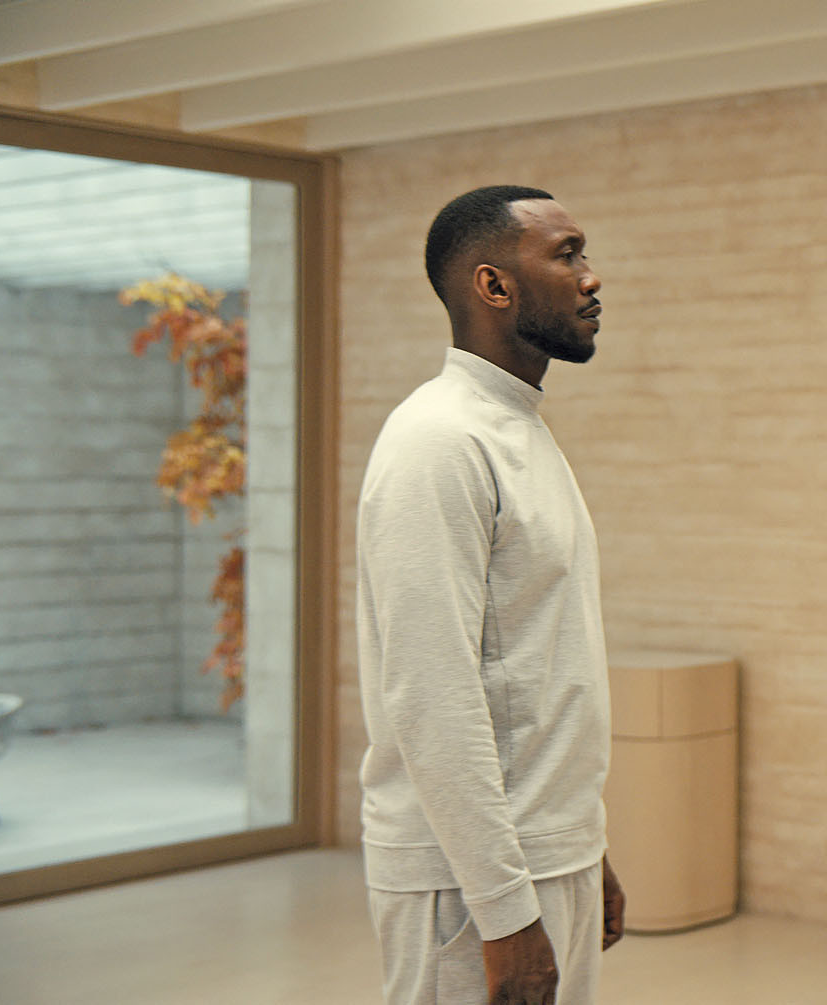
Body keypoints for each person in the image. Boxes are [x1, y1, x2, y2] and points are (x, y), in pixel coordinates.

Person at [357, 185, 624, 1005]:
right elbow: (431, 693)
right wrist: (505, 911)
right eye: (567, 254)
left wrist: (585, 844)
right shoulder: (438, 440)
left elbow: (537, 667)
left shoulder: (518, 427)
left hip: (543, 853)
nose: (592, 277)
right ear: (494, 285)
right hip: (470, 883)